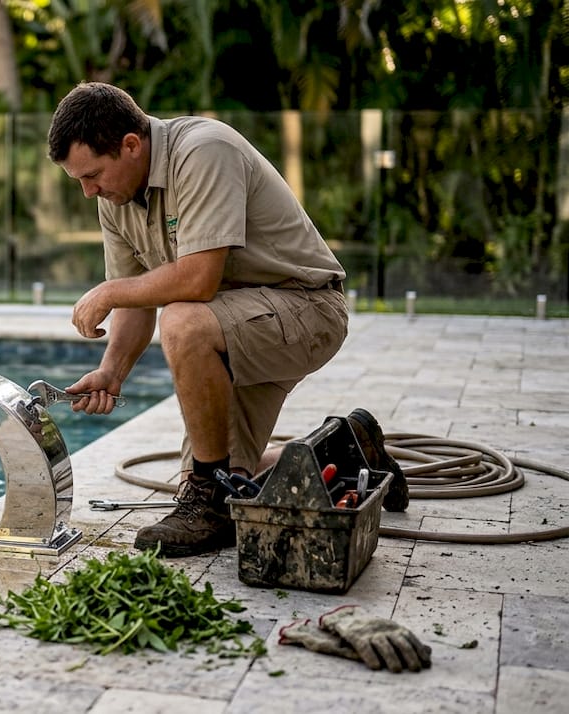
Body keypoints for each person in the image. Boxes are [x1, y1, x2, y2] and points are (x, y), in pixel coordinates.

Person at [46, 82, 407, 557]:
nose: (88, 189)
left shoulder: (203, 151)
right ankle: (343, 448)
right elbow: (138, 303)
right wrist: (111, 372)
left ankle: (210, 502)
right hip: (231, 327)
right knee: (233, 481)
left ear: (131, 145)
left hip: (306, 308)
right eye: (79, 180)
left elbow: (196, 280)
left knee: (183, 323)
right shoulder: (115, 198)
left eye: (92, 174)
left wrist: (108, 292)